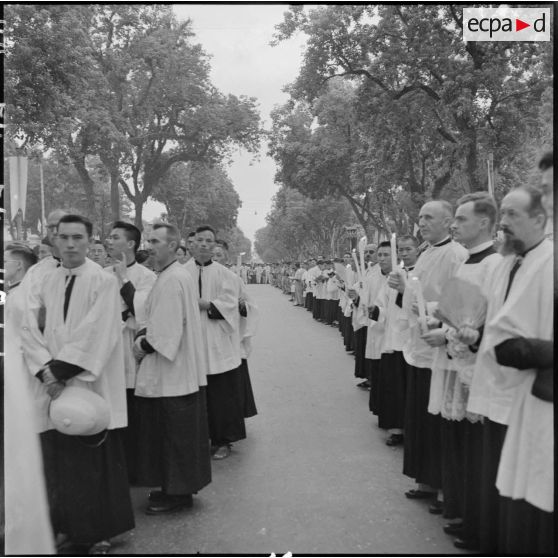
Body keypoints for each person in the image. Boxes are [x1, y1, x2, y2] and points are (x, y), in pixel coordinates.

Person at [20, 214, 134, 555]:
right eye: (64, 237)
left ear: (89, 240)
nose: (70, 244)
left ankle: (95, 530)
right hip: (51, 381)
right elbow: (28, 327)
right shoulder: (43, 280)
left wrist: (60, 371)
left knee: (89, 459)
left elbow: (97, 333)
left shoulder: (102, 281)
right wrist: (44, 372)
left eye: (77, 238)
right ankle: (64, 525)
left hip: (86, 380)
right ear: (55, 240)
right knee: (58, 459)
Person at [466, 186, 553, 554]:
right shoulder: (507, 262)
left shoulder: (548, 261)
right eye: (503, 213)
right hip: (498, 387)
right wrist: (473, 337)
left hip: (531, 392)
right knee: (499, 482)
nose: (504, 223)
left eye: (513, 215)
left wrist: (520, 350)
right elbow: (496, 322)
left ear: (539, 218)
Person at [425, 193, 502, 547]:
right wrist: (443, 330)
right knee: (459, 443)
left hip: (477, 367)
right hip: (457, 360)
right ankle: (462, 510)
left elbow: (488, 319)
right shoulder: (466, 260)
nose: (454, 225)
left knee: (476, 450)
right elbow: (454, 310)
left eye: (461, 219)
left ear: (484, 223)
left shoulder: (494, 264)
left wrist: (456, 336)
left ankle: (478, 522)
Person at [389, 201, 467, 506]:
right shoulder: (426, 253)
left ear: (448, 222)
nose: (421, 223)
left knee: (440, 421)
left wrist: (440, 323)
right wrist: (401, 287)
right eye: (420, 217)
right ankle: (426, 479)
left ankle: (446, 486)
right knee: (421, 417)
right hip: (421, 348)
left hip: (443, 349)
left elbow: (460, 302)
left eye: (429, 218)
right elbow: (414, 299)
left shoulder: (456, 255)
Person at [132, 223, 211, 515]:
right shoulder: (169, 275)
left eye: (155, 241)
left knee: (173, 435)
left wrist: (141, 345)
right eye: (148, 240)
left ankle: (176, 494)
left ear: (172, 245)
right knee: (171, 434)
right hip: (175, 371)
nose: (149, 245)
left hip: (172, 371)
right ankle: (173, 488)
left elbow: (165, 332)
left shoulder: (173, 279)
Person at [184, 225, 245, 460]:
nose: (204, 244)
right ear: (192, 243)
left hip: (217, 341)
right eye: (200, 240)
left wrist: (208, 305)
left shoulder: (226, 275)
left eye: (209, 241)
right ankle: (197, 439)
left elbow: (231, 305)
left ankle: (222, 440)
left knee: (221, 395)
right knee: (193, 393)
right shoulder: (180, 273)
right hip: (190, 341)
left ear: (214, 245)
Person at [105, 221, 157, 484]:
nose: (109, 241)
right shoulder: (100, 274)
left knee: (134, 412)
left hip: (131, 351)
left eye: (115, 237)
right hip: (107, 352)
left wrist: (124, 279)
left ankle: (135, 470)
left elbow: (143, 313)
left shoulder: (148, 277)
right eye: (109, 237)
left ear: (131, 244)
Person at [365, 242, 393, 416]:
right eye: (380, 254)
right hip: (376, 327)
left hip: (395, 334)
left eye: (385, 255)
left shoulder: (399, 277)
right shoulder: (372, 276)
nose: (381, 258)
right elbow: (369, 301)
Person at [351, 244, 379, 389]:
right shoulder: (367, 271)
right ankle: (368, 377)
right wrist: (355, 297)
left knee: (374, 349)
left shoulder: (381, 272)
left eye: (371, 252)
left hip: (374, 316)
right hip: (363, 314)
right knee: (365, 348)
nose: (368, 254)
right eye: (366, 252)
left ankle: (374, 379)